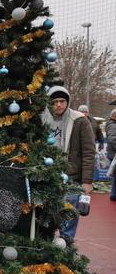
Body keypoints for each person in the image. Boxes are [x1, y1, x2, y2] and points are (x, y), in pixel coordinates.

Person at [42, 86, 95, 240]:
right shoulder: (42, 120)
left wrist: (87, 181)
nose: (59, 104)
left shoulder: (79, 120)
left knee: (68, 219)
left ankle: (67, 247)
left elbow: (88, 152)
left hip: (71, 178)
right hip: (47, 177)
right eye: (55, 101)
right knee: (47, 218)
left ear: (67, 102)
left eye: (62, 101)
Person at [106, 108, 116, 201]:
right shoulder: (113, 126)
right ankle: (114, 195)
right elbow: (113, 139)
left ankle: (114, 194)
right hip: (114, 155)